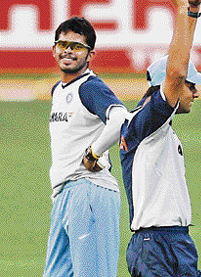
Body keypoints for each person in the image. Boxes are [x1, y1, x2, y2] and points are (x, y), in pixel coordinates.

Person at [119, 0, 201, 276]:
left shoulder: (156, 124)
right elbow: (175, 71)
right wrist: (181, 10)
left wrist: (193, 11)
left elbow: (177, 70)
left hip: (176, 241)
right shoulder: (147, 122)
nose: (196, 92)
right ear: (168, 88)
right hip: (155, 245)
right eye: (191, 86)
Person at [43, 16, 127, 277]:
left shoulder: (89, 87)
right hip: (65, 194)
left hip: (90, 191)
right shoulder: (59, 89)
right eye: (63, 43)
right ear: (54, 48)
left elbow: (120, 118)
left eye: (77, 46)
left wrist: (95, 151)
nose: (68, 50)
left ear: (90, 55)